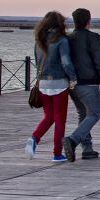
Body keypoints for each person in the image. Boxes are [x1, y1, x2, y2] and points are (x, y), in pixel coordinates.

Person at [64, 8, 100, 162]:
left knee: (83, 114)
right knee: (94, 113)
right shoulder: (93, 39)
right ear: (89, 21)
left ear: (74, 21)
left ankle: (87, 149)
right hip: (88, 83)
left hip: (71, 84)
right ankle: (73, 140)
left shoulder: (68, 38)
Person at [26, 11, 77, 163]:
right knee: (60, 119)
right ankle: (56, 153)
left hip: (42, 84)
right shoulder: (61, 40)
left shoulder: (39, 40)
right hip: (59, 84)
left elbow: (37, 62)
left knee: (49, 117)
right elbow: (66, 62)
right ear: (60, 23)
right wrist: (73, 78)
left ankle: (34, 138)